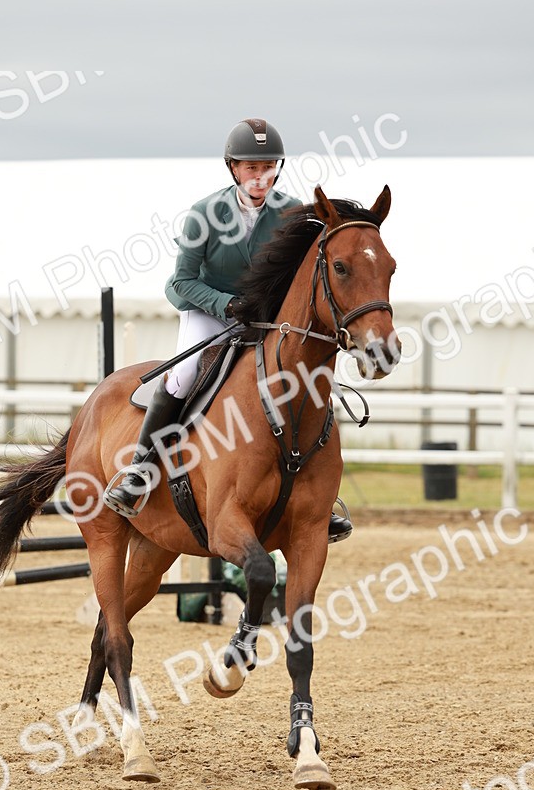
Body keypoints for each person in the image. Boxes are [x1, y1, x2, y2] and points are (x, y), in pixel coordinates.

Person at [103, 117, 352, 543]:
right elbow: (179, 283)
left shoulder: (291, 214)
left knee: (303, 380)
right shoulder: (205, 213)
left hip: (267, 320)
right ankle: (139, 471)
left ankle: (317, 499)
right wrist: (225, 304)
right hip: (209, 311)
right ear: (233, 169)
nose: (260, 175)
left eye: (268, 166)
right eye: (251, 167)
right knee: (182, 376)